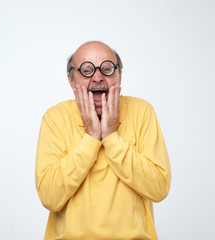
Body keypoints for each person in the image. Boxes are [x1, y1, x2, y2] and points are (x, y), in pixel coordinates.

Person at [35, 41, 171, 239]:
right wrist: (91, 138)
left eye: (107, 69)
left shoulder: (142, 112)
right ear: (71, 81)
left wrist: (111, 138)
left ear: (119, 76)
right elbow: (49, 197)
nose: (98, 77)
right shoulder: (55, 118)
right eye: (86, 70)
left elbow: (159, 189)